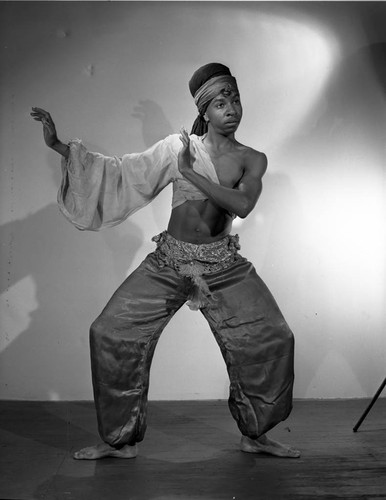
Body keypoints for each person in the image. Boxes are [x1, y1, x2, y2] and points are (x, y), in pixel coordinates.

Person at [31, 62, 300, 459]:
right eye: (221, 102)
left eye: (235, 100)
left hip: (222, 265)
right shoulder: (179, 149)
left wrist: (195, 175)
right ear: (204, 111)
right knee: (109, 332)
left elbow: (242, 204)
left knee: (274, 336)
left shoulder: (251, 159)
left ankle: (255, 435)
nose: (231, 108)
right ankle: (120, 440)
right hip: (169, 261)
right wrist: (59, 146)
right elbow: (124, 173)